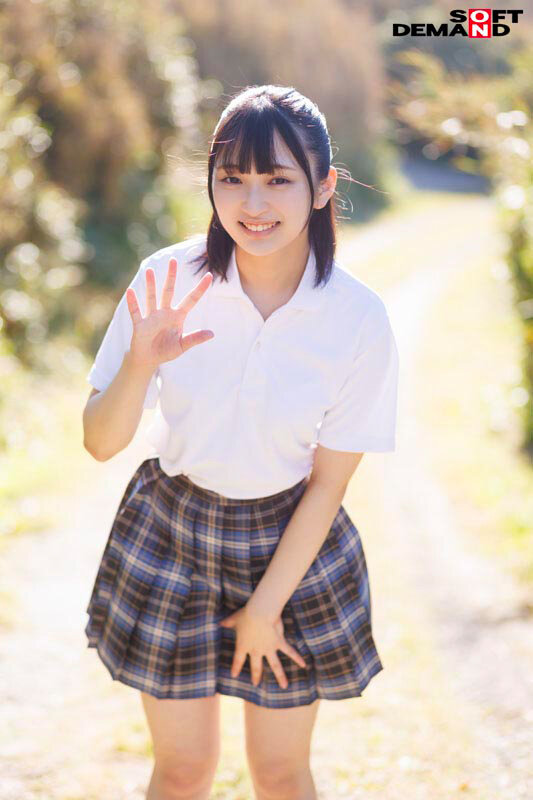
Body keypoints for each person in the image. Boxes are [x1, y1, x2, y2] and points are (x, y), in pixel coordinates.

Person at [83, 84, 399, 800]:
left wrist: (263, 610)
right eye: (232, 178)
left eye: (277, 180)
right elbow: (100, 443)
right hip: (172, 530)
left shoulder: (356, 318)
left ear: (323, 187)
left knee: (280, 774)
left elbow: (328, 484)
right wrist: (140, 363)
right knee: (182, 771)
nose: (252, 204)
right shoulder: (167, 280)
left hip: (290, 542)